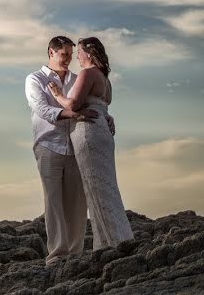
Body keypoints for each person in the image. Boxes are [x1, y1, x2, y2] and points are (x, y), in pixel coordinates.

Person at [48, 37, 133, 250]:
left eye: (79, 54)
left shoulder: (88, 74)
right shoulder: (106, 80)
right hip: (102, 133)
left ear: (88, 54)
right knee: (108, 186)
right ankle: (118, 238)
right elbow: (101, 107)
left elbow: (75, 104)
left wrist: (58, 96)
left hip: (88, 133)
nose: (76, 57)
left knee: (95, 187)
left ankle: (110, 243)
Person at [25, 36, 97, 265]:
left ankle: (75, 253)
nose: (67, 59)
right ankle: (57, 254)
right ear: (51, 53)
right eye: (63, 54)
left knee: (77, 201)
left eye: (70, 54)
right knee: (53, 200)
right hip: (48, 145)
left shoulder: (76, 79)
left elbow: (90, 105)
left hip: (76, 145)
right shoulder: (35, 79)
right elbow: (42, 109)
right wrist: (73, 114)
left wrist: (106, 117)